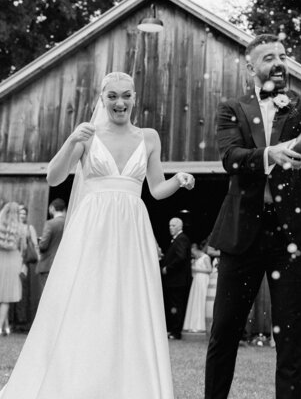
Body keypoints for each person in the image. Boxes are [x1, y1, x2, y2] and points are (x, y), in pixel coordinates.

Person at [0, 71, 194, 399]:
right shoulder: (88, 134)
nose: (120, 102)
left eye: (126, 95)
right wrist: (72, 140)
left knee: (129, 301)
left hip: (133, 227)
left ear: (135, 97)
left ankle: (130, 382)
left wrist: (180, 180)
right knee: (88, 297)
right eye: (113, 96)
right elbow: (53, 176)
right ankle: (79, 378)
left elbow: (156, 189)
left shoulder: (149, 137)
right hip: (94, 227)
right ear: (102, 98)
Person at [204, 33, 301, 399]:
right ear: (251, 67)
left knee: (292, 338)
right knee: (224, 333)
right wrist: (269, 154)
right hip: (241, 234)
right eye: (268, 58)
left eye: (282, 56)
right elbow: (231, 158)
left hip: (293, 236)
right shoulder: (231, 108)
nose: (278, 63)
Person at [161, 217, 192, 340]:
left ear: (180, 227)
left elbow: (181, 257)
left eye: (173, 225)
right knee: (173, 305)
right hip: (174, 281)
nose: (170, 228)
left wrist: (168, 268)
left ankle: (176, 331)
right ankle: (173, 329)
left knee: (176, 306)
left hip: (177, 281)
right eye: (169, 225)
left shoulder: (182, 239)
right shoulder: (177, 240)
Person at [11, 205, 39, 331]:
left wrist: (39, 261)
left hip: (24, 263)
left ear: (26, 215)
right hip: (12, 263)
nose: (22, 215)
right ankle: (12, 321)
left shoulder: (29, 228)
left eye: (24, 213)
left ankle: (23, 323)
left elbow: (35, 244)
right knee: (10, 291)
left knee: (24, 291)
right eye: (20, 213)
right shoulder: (12, 227)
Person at [0, 202, 24, 336]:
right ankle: (1, 327)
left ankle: (6, 326)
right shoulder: (20, 228)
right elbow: (23, 248)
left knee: (2, 296)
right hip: (12, 261)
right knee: (6, 298)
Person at [36, 198, 66, 292]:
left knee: (46, 294)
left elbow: (43, 245)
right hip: (64, 265)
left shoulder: (50, 224)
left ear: (52, 208)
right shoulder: (69, 222)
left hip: (48, 264)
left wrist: (39, 243)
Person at [183, 241, 212, 332]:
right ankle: (193, 324)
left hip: (203, 280)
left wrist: (196, 269)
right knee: (195, 300)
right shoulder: (196, 258)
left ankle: (200, 325)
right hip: (197, 280)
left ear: (195, 249)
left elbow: (209, 269)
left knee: (201, 300)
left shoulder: (205, 257)